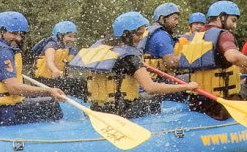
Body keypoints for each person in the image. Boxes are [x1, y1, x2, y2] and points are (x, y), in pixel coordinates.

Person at [68, 12, 196, 118]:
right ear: (126, 34)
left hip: (97, 109)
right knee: (154, 101)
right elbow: (151, 87)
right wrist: (185, 86)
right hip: (122, 112)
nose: (141, 38)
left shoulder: (102, 48)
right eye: (139, 34)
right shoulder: (130, 58)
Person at [0, 11, 65, 126]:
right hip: (2, 113)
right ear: (1, 31)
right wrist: (49, 91)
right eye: (13, 33)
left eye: (20, 34)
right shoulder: (2, 51)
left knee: (39, 98)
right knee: (52, 105)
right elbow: (13, 88)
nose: (18, 38)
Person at [178, 0, 247, 120]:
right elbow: (232, 56)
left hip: (199, 102)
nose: (234, 26)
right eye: (233, 20)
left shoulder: (195, 36)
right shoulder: (223, 35)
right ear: (222, 17)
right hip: (220, 105)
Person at [30, 20, 85, 97]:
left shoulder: (70, 49)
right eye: (69, 36)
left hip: (54, 80)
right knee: (75, 85)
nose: (73, 39)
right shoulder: (51, 45)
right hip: (41, 80)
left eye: (74, 36)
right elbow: (50, 61)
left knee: (81, 83)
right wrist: (55, 70)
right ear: (60, 36)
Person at [141, 2, 181, 71]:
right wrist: (187, 57)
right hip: (157, 79)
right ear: (162, 19)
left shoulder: (150, 31)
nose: (177, 23)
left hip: (149, 76)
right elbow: (172, 63)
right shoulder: (162, 36)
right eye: (175, 19)